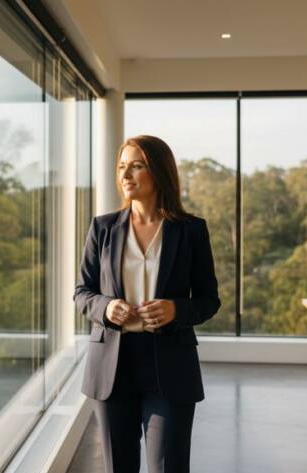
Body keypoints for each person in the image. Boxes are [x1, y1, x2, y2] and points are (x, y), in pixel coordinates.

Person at [74, 135, 220, 472]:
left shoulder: (191, 231)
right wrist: (106, 308)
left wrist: (176, 310)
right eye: (122, 167)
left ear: (159, 171)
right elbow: (82, 292)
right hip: (111, 368)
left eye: (136, 166)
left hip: (170, 365)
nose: (126, 175)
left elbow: (209, 299)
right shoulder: (102, 228)